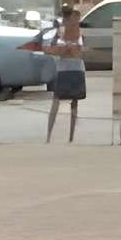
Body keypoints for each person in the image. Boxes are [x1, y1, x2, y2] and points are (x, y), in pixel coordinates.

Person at [42, 8, 88, 142]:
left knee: (74, 103)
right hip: (64, 70)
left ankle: (70, 138)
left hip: (76, 70)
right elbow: (53, 50)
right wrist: (65, 49)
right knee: (57, 102)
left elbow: (78, 52)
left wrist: (67, 49)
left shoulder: (79, 34)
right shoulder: (59, 33)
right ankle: (49, 136)